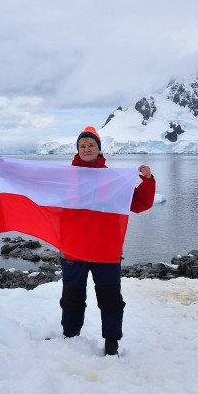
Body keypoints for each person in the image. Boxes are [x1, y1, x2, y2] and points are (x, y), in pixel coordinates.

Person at [60, 126, 156, 356]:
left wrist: (148, 180)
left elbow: (139, 204)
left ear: (99, 149)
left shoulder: (114, 179)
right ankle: (70, 335)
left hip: (106, 250)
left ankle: (112, 341)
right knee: (72, 297)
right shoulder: (66, 178)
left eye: (91, 144)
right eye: (82, 145)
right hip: (73, 249)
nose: (86, 149)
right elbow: (34, 186)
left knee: (111, 299)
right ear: (77, 150)